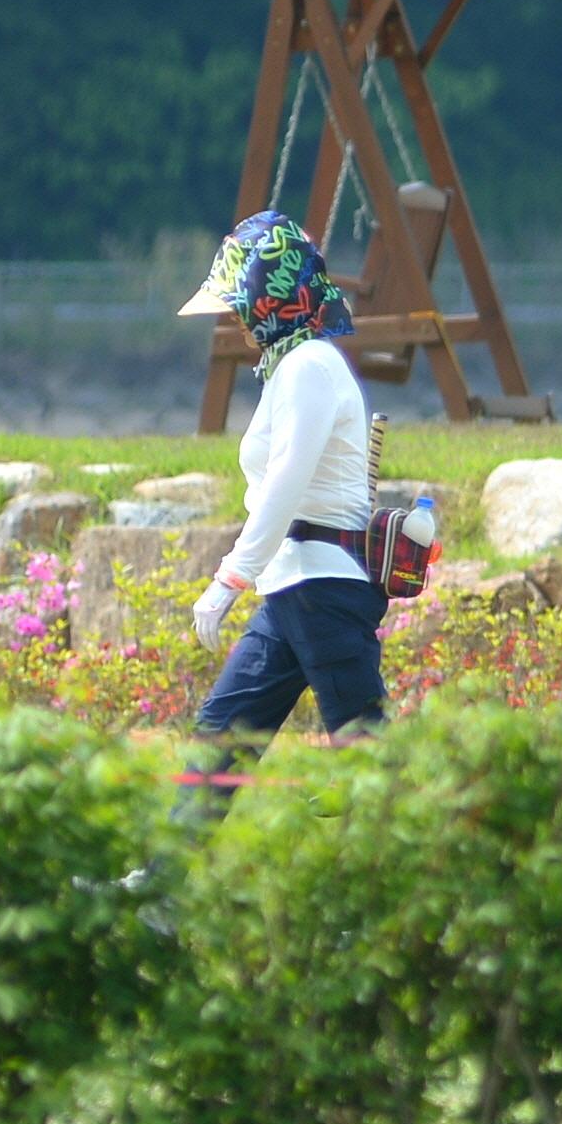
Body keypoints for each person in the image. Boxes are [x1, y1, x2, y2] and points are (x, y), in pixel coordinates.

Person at [173, 210, 388, 802]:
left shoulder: (308, 368)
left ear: (267, 302)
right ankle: (159, 884)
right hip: (293, 587)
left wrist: (229, 578)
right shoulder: (292, 368)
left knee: (369, 761)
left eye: (238, 307)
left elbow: (285, 484)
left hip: (323, 588)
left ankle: (436, 884)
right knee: (222, 736)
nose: (235, 322)